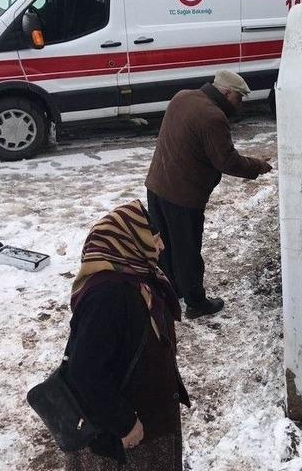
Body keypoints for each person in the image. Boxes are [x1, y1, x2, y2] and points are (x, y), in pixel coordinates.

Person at [63, 200, 189, 471]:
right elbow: (85, 371)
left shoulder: (139, 276)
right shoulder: (107, 297)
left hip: (150, 416)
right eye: (154, 239)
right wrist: (124, 424)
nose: (161, 246)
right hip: (124, 436)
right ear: (126, 240)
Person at [145, 70, 272, 319]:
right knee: (188, 249)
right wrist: (258, 166)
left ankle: (170, 291)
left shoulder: (182, 97)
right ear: (226, 93)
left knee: (165, 245)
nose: (241, 104)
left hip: (157, 185)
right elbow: (227, 161)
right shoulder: (213, 117)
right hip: (183, 195)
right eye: (239, 98)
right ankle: (195, 302)